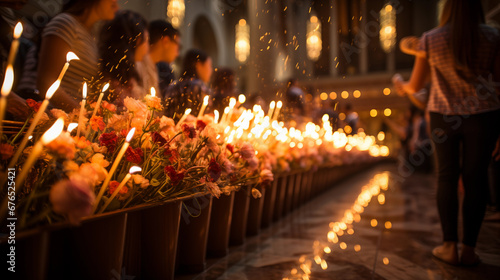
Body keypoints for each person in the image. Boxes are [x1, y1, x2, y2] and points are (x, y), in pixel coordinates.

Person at [393, 0, 500, 266]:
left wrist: (400, 85)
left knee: (447, 177)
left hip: (444, 115)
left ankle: (449, 246)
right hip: (483, 115)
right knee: (475, 180)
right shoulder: (493, 36)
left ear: (448, 8)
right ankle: (469, 250)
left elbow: (416, 84)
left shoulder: (432, 39)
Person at [36, 0, 118, 111]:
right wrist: (82, 114)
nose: (116, 2)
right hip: (53, 115)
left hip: (73, 117)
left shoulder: (89, 34)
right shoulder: (66, 23)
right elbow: (46, 83)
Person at [98, 10, 149, 105]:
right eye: (146, 40)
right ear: (138, 40)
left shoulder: (126, 77)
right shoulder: (114, 86)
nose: (147, 49)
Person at [164, 49, 212, 121]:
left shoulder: (173, 85)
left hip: (169, 130)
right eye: (209, 66)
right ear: (198, 65)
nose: (211, 70)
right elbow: (207, 119)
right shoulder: (199, 86)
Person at [147, 20, 180, 98]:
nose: (177, 53)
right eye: (178, 47)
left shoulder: (153, 68)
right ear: (166, 41)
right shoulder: (138, 66)